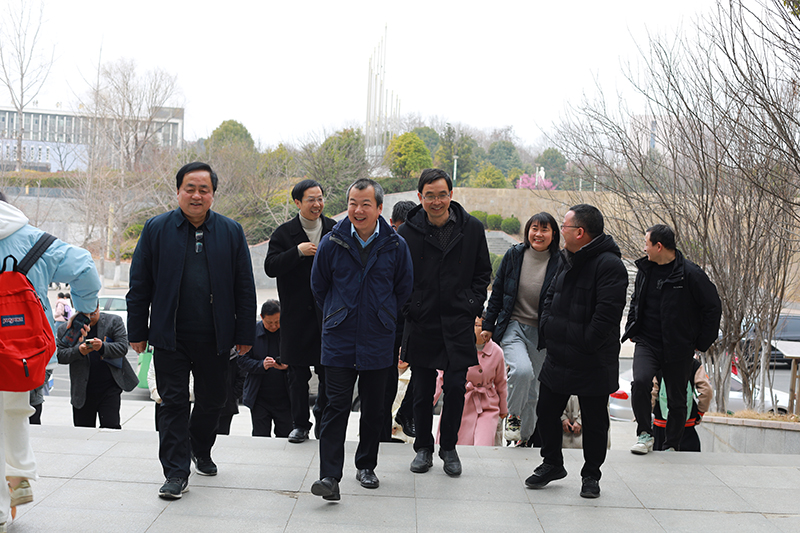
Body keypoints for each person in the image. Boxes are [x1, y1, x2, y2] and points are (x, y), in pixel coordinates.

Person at [126, 162, 257, 500]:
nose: (196, 195)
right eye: (190, 188)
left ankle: (200, 446)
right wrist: (137, 330)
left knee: (213, 401)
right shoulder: (156, 228)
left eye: (204, 190)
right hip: (170, 336)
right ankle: (175, 472)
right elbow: (139, 283)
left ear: (212, 194)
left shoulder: (230, 231)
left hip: (216, 337)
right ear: (178, 191)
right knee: (172, 403)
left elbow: (244, 286)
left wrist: (245, 334)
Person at [0, 191, 101, 532]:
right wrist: (84, 309)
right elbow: (84, 266)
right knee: (16, 416)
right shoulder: (34, 240)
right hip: (24, 353)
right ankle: (17, 491)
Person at [309, 178, 413, 500]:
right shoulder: (331, 242)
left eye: (365, 204)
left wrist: (382, 315)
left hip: (378, 338)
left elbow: (404, 289)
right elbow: (319, 287)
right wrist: (338, 313)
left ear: (379, 208)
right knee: (335, 406)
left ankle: (366, 465)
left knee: (374, 409)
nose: (358, 210)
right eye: (353, 203)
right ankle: (329, 476)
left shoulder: (396, 245)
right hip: (339, 338)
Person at [524, 204, 628, 499]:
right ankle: (552, 463)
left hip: (592, 357)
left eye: (565, 226)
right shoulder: (565, 258)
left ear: (580, 232)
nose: (562, 231)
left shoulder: (610, 266)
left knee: (594, 421)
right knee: (546, 410)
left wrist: (584, 342)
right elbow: (550, 296)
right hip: (559, 353)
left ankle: (591, 475)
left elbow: (607, 316)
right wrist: (548, 326)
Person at [398, 168, 492, 477]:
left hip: (457, 319)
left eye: (442, 195)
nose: (436, 201)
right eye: (429, 196)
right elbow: (398, 275)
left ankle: (448, 447)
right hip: (421, 319)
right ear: (419, 197)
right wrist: (410, 306)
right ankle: (423, 447)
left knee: (454, 386)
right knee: (422, 389)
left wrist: (472, 304)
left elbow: (482, 272)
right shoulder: (407, 232)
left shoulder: (471, 228)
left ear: (451, 194)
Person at [622, 224, 721, 453]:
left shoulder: (691, 274)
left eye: (646, 243)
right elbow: (636, 300)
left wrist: (700, 342)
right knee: (640, 382)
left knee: (677, 398)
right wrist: (632, 327)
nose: (644, 249)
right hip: (647, 342)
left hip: (678, 346)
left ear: (659, 246)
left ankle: (671, 445)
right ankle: (645, 435)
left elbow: (713, 307)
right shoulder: (645, 270)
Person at [264, 179, 336, 444]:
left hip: (327, 316)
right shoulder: (284, 233)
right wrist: (297, 252)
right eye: (311, 199)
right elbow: (270, 266)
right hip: (296, 318)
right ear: (297, 202)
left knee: (329, 374)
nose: (317, 204)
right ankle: (300, 425)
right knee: (297, 376)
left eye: (320, 198)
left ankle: (323, 420)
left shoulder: (334, 229)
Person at [482, 212, 561, 445]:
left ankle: (524, 438)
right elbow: (497, 291)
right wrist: (488, 325)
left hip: (542, 333)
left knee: (534, 389)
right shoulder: (515, 255)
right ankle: (514, 417)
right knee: (522, 371)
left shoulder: (561, 262)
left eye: (544, 229)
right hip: (513, 325)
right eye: (534, 228)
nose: (538, 234)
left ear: (553, 234)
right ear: (528, 231)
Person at [56, 306, 137, 429]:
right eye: (84, 315)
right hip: (83, 390)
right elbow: (61, 356)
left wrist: (102, 347)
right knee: (83, 431)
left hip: (109, 387)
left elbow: (123, 347)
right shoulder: (67, 328)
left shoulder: (113, 321)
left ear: (98, 308)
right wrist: (79, 351)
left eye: (92, 314)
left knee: (111, 428)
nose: (89, 318)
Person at [435, 314, 507, 446]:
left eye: (480, 325)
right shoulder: (457, 347)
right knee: (458, 445)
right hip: (461, 402)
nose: (478, 329)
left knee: (484, 445)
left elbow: (501, 383)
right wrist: (430, 401)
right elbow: (441, 378)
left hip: (488, 405)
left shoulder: (497, 351)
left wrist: (503, 409)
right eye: (475, 325)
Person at [381, 199, 417, 442]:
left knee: (424, 368)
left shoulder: (419, 243)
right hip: (388, 317)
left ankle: (404, 413)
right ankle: (382, 431)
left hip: (412, 317)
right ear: (392, 223)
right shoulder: (385, 244)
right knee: (385, 379)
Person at [238, 300, 293, 438]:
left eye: (277, 322)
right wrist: (261, 365)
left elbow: (301, 359)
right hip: (259, 397)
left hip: (285, 397)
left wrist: (287, 366)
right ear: (262, 317)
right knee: (260, 438)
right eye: (269, 322)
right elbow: (242, 360)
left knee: (286, 437)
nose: (274, 326)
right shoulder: (251, 332)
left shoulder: (289, 332)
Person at [651, 357, 712, 452]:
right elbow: (706, 391)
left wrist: (647, 415)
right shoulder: (693, 364)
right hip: (686, 427)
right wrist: (700, 412)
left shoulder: (657, 363)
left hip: (661, 426)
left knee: (660, 459)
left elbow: (652, 393)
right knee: (689, 460)